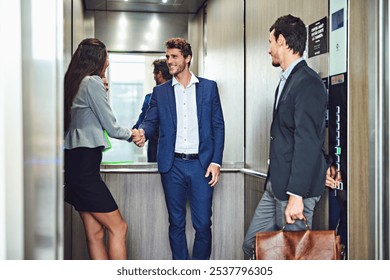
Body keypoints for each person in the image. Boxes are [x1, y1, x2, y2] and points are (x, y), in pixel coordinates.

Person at [242, 15, 328, 258]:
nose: (269, 50)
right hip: (276, 185)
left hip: (294, 190)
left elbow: (308, 141)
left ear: (282, 41)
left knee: (293, 257)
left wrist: (297, 196)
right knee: (251, 246)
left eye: (270, 42)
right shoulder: (287, 80)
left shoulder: (307, 82)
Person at [132, 37, 225, 260]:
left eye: (174, 57)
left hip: (201, 165)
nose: (170, 61)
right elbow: (150, 121)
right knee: (176, 223)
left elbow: (218, 125)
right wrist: (143, 132)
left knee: (203, 224)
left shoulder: (209, 88)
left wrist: (216, 161)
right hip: (172, 165)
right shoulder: (161, 92)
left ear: (187, 58)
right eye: (168, 56)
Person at [64, 38, 133, 260]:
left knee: (95, 233)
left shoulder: (73, 82)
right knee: (119, 227)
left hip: (74, 165)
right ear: (98, 59)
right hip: (85, 168)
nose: (109, 62)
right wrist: (133, 134)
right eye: (107, 57)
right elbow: (111, 127)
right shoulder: (91, 82)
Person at [132, 59, 172, 162]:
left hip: (156, 150)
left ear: (159, 74)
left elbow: (143, 122)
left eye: (154, 73)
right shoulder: (180, 95)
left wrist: (131, 133)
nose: (154, 76)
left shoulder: (150, 98)